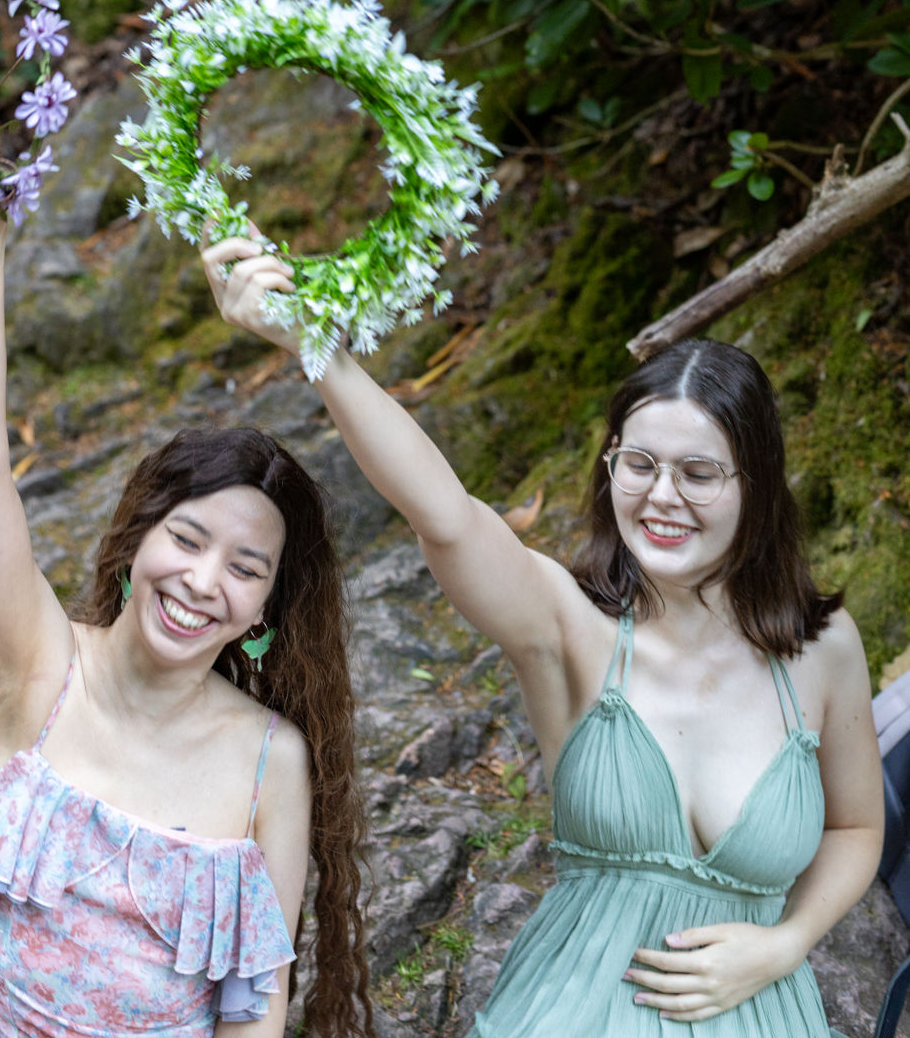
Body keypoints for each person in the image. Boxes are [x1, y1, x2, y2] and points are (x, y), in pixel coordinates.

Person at [202, 228, 884, 1036]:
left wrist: (785, 942)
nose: (661, 496)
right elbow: (444, 515)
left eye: (698, 473)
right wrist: (318, 348)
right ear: (609, 468)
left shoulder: (821, 646)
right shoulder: (567, 623)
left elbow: (855, 825)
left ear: (756, 486)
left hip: (762, 1015)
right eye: (639, 465)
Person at [0, 93, 373, 1038]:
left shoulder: (267, 763)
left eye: (246, 568)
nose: (203, 582)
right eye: (188, 541)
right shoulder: (31, 669)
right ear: (135, 544)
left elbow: (252, 1012)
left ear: (266, 610)